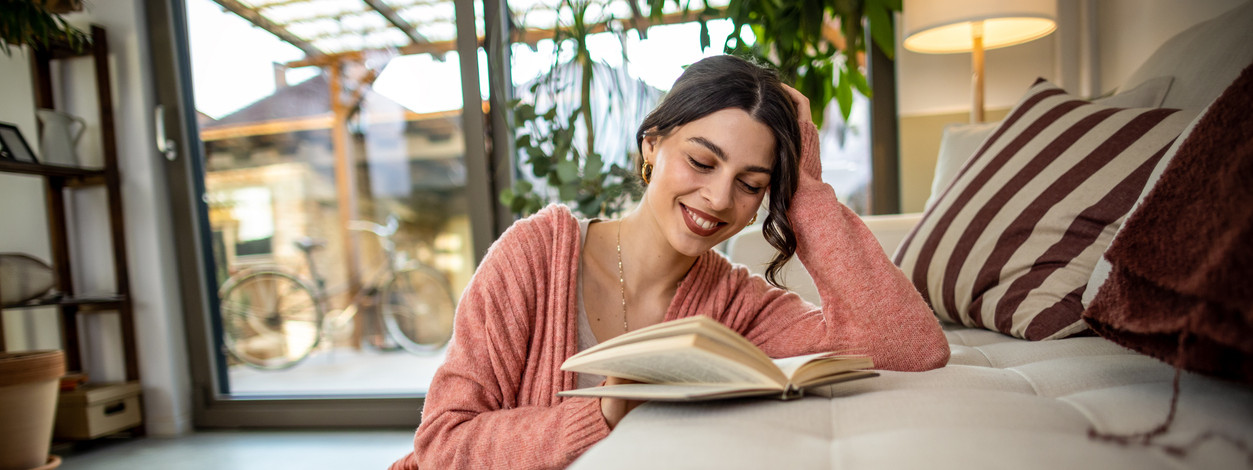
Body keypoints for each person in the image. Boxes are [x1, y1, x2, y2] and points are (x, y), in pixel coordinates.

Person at [388, 54, 949, 470]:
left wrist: (804, 188)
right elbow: (442, 444)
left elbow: (909, 347)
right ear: (652, 144)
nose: (719, 199)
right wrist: (601, 413)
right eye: (702, 162)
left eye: (751, 184)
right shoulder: (534, 255)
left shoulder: (737, 306)